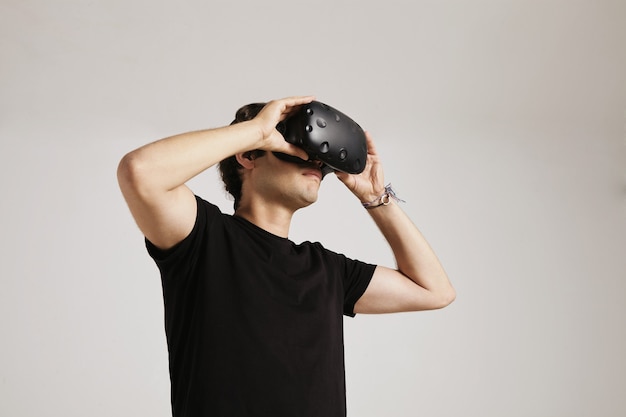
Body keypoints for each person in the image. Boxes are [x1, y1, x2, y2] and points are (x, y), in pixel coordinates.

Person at [117, 95, 455, 417]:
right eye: (296, 146)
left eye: (319, 156)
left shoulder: (327, 270)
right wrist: (258, 131)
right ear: (248, 156)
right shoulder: (203, 238)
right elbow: (140, 171)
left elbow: (434, 290)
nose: (315, 161)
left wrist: (376, 196)